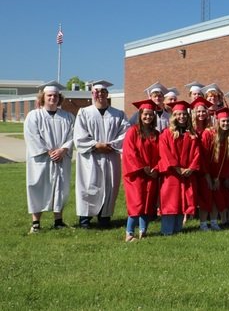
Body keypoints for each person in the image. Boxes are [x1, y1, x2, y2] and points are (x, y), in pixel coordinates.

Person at [72, 80, 127, 229]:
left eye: (103, 92)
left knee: (109, 186)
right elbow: (79, 135)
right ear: (92, 94)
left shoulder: (118, 114)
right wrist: (96, 145)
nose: (100, 94)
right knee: (88, 186)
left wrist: (111, 145)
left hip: (110, 155)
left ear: (107, 94)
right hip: (90, 157)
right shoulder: (84, 112)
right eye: (97, 92)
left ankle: (104, 218)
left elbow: (125, 133)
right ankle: (85, 220)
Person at [24, 81, 75, 234]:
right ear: (43, 97)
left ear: (59, 98)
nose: (53, 98)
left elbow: (73, 135)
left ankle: (58, 221)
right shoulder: (34, 116)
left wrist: (63, 150)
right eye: (49, 95)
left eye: (55, 95)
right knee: (38, 187)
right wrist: (49, 152)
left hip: (61, 158)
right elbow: (32, 136)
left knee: (61, 187)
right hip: (41, 160)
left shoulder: (68, 116)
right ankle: (36, 223)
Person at [158, 100, 201, 235]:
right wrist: (178, 168)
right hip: (171, 174)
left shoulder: (192, 134)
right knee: (170, 200)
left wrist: (191, 168)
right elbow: (165, 152)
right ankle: (167, 231)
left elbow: (197, 153)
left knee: (183, 200)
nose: (182, 117)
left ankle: (178, 229)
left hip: (187, 174)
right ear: (174, 116)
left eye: (184, 114)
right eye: (178, 114)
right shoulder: (166, 133)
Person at [121, 99, 161, 241]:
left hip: (151, 174)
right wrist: (143, 167)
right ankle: (129, 233)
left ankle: (143, 232)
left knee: (148, 203)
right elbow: (130, 153)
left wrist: (156, 169)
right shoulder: (133, 131)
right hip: (136, 174)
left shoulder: (156, 134)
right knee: (136, 202)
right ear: (140, 115)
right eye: (145, 114)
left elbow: (161, 154)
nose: (148, 117)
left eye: (150, 114)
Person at [200, 107, 229, 230]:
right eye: (223, 121)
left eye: (228, 121)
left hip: (218, 176)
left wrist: (222, 177)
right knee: (206, 198)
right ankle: (203, 223)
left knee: (216, 198)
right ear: (218, 121)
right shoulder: (208, 134)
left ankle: (214, 222)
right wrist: (208, 176)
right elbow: (203, 157)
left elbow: (227, 161)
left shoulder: (228, 137)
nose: (226, 123)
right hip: (206, 173)